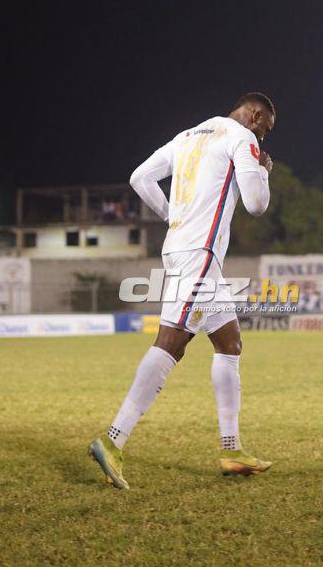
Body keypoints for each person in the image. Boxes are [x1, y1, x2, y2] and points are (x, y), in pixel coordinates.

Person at [89, 93, 276, 489]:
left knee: (229, 343)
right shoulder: (241, 137)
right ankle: (112, 439)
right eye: (265, 128)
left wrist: (172, 216)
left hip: (183, 250)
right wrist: (262, 172)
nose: (263, 136)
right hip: (199, 255)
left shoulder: (187, 136)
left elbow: (140, 178)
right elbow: (257, 205)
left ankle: (232, 450)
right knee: (171, 343)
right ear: (254, 115)